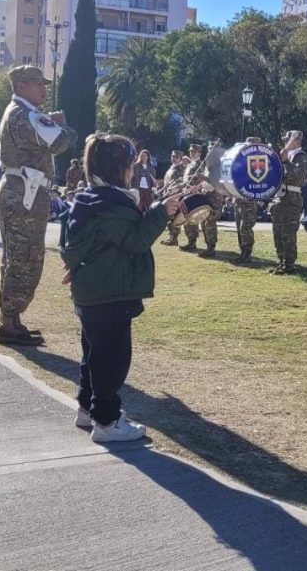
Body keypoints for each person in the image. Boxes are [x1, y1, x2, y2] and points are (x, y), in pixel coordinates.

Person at [60, 133, 185, 442]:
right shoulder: (113, 205)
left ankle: (87, 410)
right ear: (119, 169)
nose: (133, 172)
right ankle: (107, 421)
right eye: (129, 166)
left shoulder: (89, 200)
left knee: (93, 356)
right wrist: (161, 213)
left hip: (91, 291)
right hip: (110, 292)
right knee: (112, 360)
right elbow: (135, 240)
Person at [0, 65, 77, 346]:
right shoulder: (25, 114)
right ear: (20, 87)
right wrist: (62, 124)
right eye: (36, 83)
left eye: (43, 83)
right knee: (25, 258)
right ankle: (9, 323)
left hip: (21, 190)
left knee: (17, 257)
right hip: (23, 194)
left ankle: (12, 320)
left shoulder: (20, 113)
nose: (44, 88)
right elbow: (62, 141)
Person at [270, 130, 307, 275]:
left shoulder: (301, 157)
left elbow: (298, 175)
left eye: (288, 140)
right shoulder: (286, 156)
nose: (285, 142)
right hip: (280, 198)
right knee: (278, 232)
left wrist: (286, 161)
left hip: (292, 199)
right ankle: (281, 261)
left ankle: (289, 263)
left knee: (288, 233)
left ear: (297, 141)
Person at [181, 141, 223, 257]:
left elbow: (219, 182)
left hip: (215, 196)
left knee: (210, 221)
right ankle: (208, 246)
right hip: (207, 194)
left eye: (213, 149)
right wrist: (200, 183)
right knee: (205, 221)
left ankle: (211, 247)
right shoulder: (208, 164)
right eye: (209, 149)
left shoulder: (221, 164)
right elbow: (205, 181)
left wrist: (204, 178)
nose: (211, 151)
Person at [159, 150, 188, 246]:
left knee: (174, 217)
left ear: (180, 158)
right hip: (168, 195)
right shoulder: (172, 168)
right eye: (172, 156)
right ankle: (171, 237)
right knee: (169, 218)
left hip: (175, 196)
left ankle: (174, 238)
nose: (173, 158)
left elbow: (180, 184)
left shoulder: (180, 169)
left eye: (176, 157)